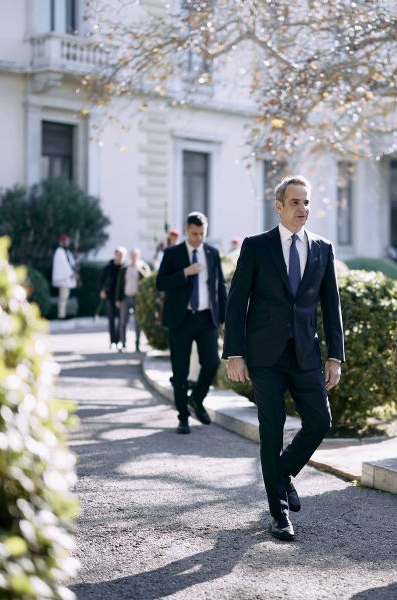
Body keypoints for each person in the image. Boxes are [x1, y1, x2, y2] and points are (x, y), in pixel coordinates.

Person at [223, 175, 345, 541]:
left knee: (320, 421)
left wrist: (335, 356)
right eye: (295, 202)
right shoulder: (257, 247)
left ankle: (282, 475)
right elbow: (236, 301)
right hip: (265, 357)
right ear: (279, 206)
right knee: (271, 430)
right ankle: (279, 515)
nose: (302, 209)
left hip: (306, 354)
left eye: (306, 202)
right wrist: (235, 353)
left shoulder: (323, 248)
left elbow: (331, 306)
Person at [156, 212, 226, 434]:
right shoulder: (172, 253)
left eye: (202, 234)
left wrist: (223, 318)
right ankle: (183, 418)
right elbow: (160, 283)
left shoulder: (212, 253)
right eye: (194, 234)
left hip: (207, 318)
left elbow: (220, 287)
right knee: (180, 371)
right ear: (187, 230)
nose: (198, 238)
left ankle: (196, 398)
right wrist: (185, 272)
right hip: (181, 319)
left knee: (212, 362)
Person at [116, 247, 151, 352]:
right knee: (123, 322)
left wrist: (139, 269)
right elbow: (119, 285)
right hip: (125, 298)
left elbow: (147, 280)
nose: (133, 258)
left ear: (138, 256)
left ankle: (137, 345)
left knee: (138, 323)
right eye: (132, 255)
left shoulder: (143, 267)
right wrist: (117, 299)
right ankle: (123, 343)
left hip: (137, 299)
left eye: (135, 256)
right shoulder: (124, 269)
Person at [99, 247, 126, 349]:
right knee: (111, 319)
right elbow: (101, 281)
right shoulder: (108, 268)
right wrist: (102, 291)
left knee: (121, 320)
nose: (120, 257)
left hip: (121, 297)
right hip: (110, 297)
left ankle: (119, 340)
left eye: (122, 256)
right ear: (115, 255)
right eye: (118, 255)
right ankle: (112, 341)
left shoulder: (124, 268)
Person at [51, 233, 79, 319]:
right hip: (63, 278)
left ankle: (63, 314)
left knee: (64, 297)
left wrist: (76, 262)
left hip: (67, 278)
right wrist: (72, 273)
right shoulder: (59, 252)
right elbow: (64, 266)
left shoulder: (66, 251)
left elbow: (70, 263)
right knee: (63, 297)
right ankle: (61, 315)